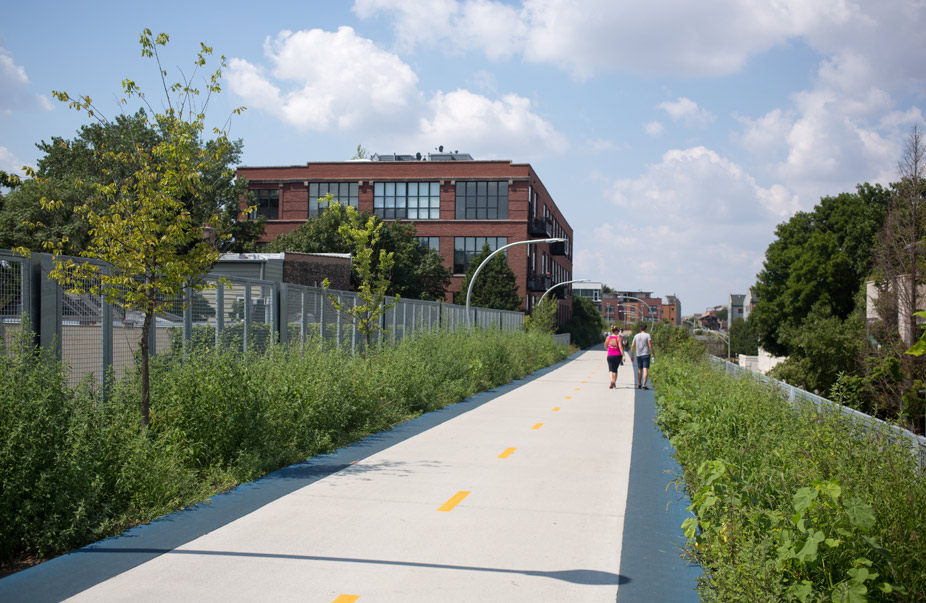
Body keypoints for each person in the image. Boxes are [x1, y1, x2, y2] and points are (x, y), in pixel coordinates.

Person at [630, 323, 655, 389]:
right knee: (645, 369)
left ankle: (639, 383)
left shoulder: (636, 336)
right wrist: (653, 353)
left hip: (639, 354)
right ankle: (644, 385)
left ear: (640, 329)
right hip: (646, 354)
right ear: (646, 329)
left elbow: (632, 346)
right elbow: (650, 345)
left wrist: (632, 355)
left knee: (639, 369)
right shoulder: (647, 335)